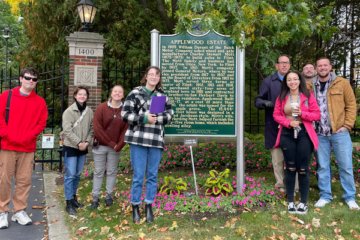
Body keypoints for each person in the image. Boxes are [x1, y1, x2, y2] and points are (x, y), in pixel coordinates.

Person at [121, 66, 174, 223]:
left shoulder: (162, 95)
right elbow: (125, 114)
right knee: (138, 175)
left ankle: (149, 205)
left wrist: (157, 119)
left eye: (157, 75)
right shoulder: (135, 93)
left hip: (156, 140)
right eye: (151, 74)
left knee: (152, 175)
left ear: (159, 78)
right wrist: (144, 118)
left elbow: (170, 115)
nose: (154, 77)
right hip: (138, 139)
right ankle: (135, 206)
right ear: (146, 76)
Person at [307, 57, 360, 210]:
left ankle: (350, 197)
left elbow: (351, 104)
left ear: (330, 67)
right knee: (322, 166)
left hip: (339, 133)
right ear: (316, 68)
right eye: (320, 66)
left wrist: (347, 125)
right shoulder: (310, 86)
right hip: (319, 133)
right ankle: (325, 196)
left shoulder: (342, 83)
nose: (322, 68)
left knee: (345, 166)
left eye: (325, 65)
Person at [0, 67, 47, 229]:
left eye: (34, 79)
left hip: (27, 147)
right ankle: (2, 211)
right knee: (4, 179)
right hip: (7, 145)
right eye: (28, 78)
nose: (31, 81)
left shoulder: (40, 102)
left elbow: (42, 122)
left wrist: (30, 135)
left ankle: (18, 211)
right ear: (21, 79)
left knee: (24, 180)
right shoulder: (7, 96)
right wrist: (6, 133)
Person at [273, 71, 321, 214]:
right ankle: (291, 202)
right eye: (289, 80)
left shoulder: (308, 96)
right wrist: (288, 123)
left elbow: (317, 115)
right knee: (290, 168)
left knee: (303, 168)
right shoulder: (282, 97)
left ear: (300, 81)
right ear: (286, 82)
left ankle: (303, 202)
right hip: (287, 134)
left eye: (295, 79)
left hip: (304, 134)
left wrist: (302, 114)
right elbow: (276, 115)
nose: (292, 82)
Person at [254, 54, 299, 196]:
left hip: (294, 126)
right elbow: (258, 100)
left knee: (294, 158)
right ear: (276, 65)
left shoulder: (295, 81)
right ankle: (281, 185)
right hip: (275, 126)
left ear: (290, 65)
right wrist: (264, 103)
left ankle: (296, 187)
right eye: (281, 63)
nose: (284, 65)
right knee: (278, 159)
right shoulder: (268, 81)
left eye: (286, 63)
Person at [91, 85, 129, 209]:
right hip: (101, 146)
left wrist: (119, 145)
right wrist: (112, 143)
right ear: (111, 93)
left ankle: (108, 196)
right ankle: (95, 197)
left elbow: (126, 130)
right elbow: (97, 128)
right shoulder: (101, 108)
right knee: (98, 172)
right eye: (115, 91)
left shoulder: (126, 110)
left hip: (116, 148)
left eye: (120, 92)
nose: (117, 93)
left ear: (123, 95)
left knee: (112, 172)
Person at [62, 86, 94, 215]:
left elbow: (92, 128)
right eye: (80, 94)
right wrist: (78, 142)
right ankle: (68, 202)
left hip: (83, 147)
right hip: (71, 147)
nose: (82, 96)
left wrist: (86, 142)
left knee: (77, 175)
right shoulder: (69, 112)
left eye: (84, 94)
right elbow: (67, 131)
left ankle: (73, 198)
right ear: (75, 96)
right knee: (70, 175)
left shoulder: (90, 112)